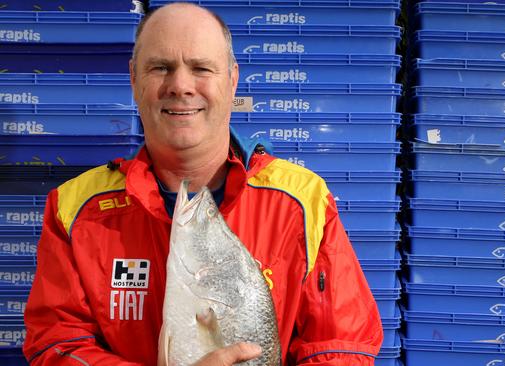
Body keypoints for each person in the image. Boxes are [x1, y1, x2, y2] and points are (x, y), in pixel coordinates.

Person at [22, 3, 383, 365]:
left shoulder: (302, 201)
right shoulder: (76, 207)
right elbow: (57, 344)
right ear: (134, 79)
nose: (180, 86)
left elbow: (342, 347)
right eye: (160, 67)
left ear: (232, 79)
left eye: (201, 68)